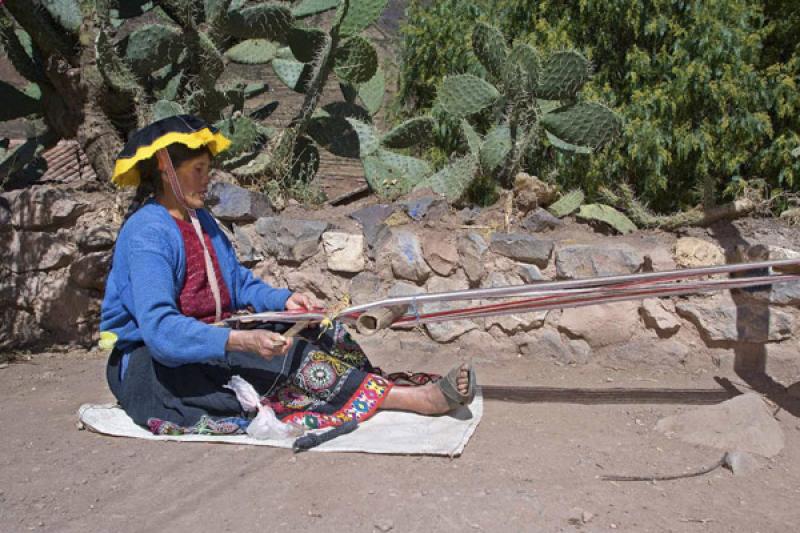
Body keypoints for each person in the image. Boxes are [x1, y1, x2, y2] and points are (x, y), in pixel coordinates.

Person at [100, 115, 476, 435]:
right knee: (281, 358)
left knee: (318, 329)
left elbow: (239, 284)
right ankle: (411, 399)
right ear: (166, 171)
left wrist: (284, 302)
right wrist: (241, 342)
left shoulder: (202, 222)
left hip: (212, 339)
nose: (206, 181)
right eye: (197, 171)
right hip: (158, 369)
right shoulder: (147, 233)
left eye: (207, 171)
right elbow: (161, 331)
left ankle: (371, 386)